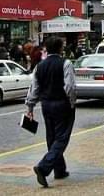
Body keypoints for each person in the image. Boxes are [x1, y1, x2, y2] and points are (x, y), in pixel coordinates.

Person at [25, 36, 76, 188]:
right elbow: (70, 87)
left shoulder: (39, 66)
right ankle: (44, 166)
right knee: (61, 138)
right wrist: (72, 103)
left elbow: (34, 89)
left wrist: (30, 107)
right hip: (62, 103)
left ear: (46, 49)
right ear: (61, 49)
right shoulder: (65, 64)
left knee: (52, 137)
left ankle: (59, 170)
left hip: (46, 105)